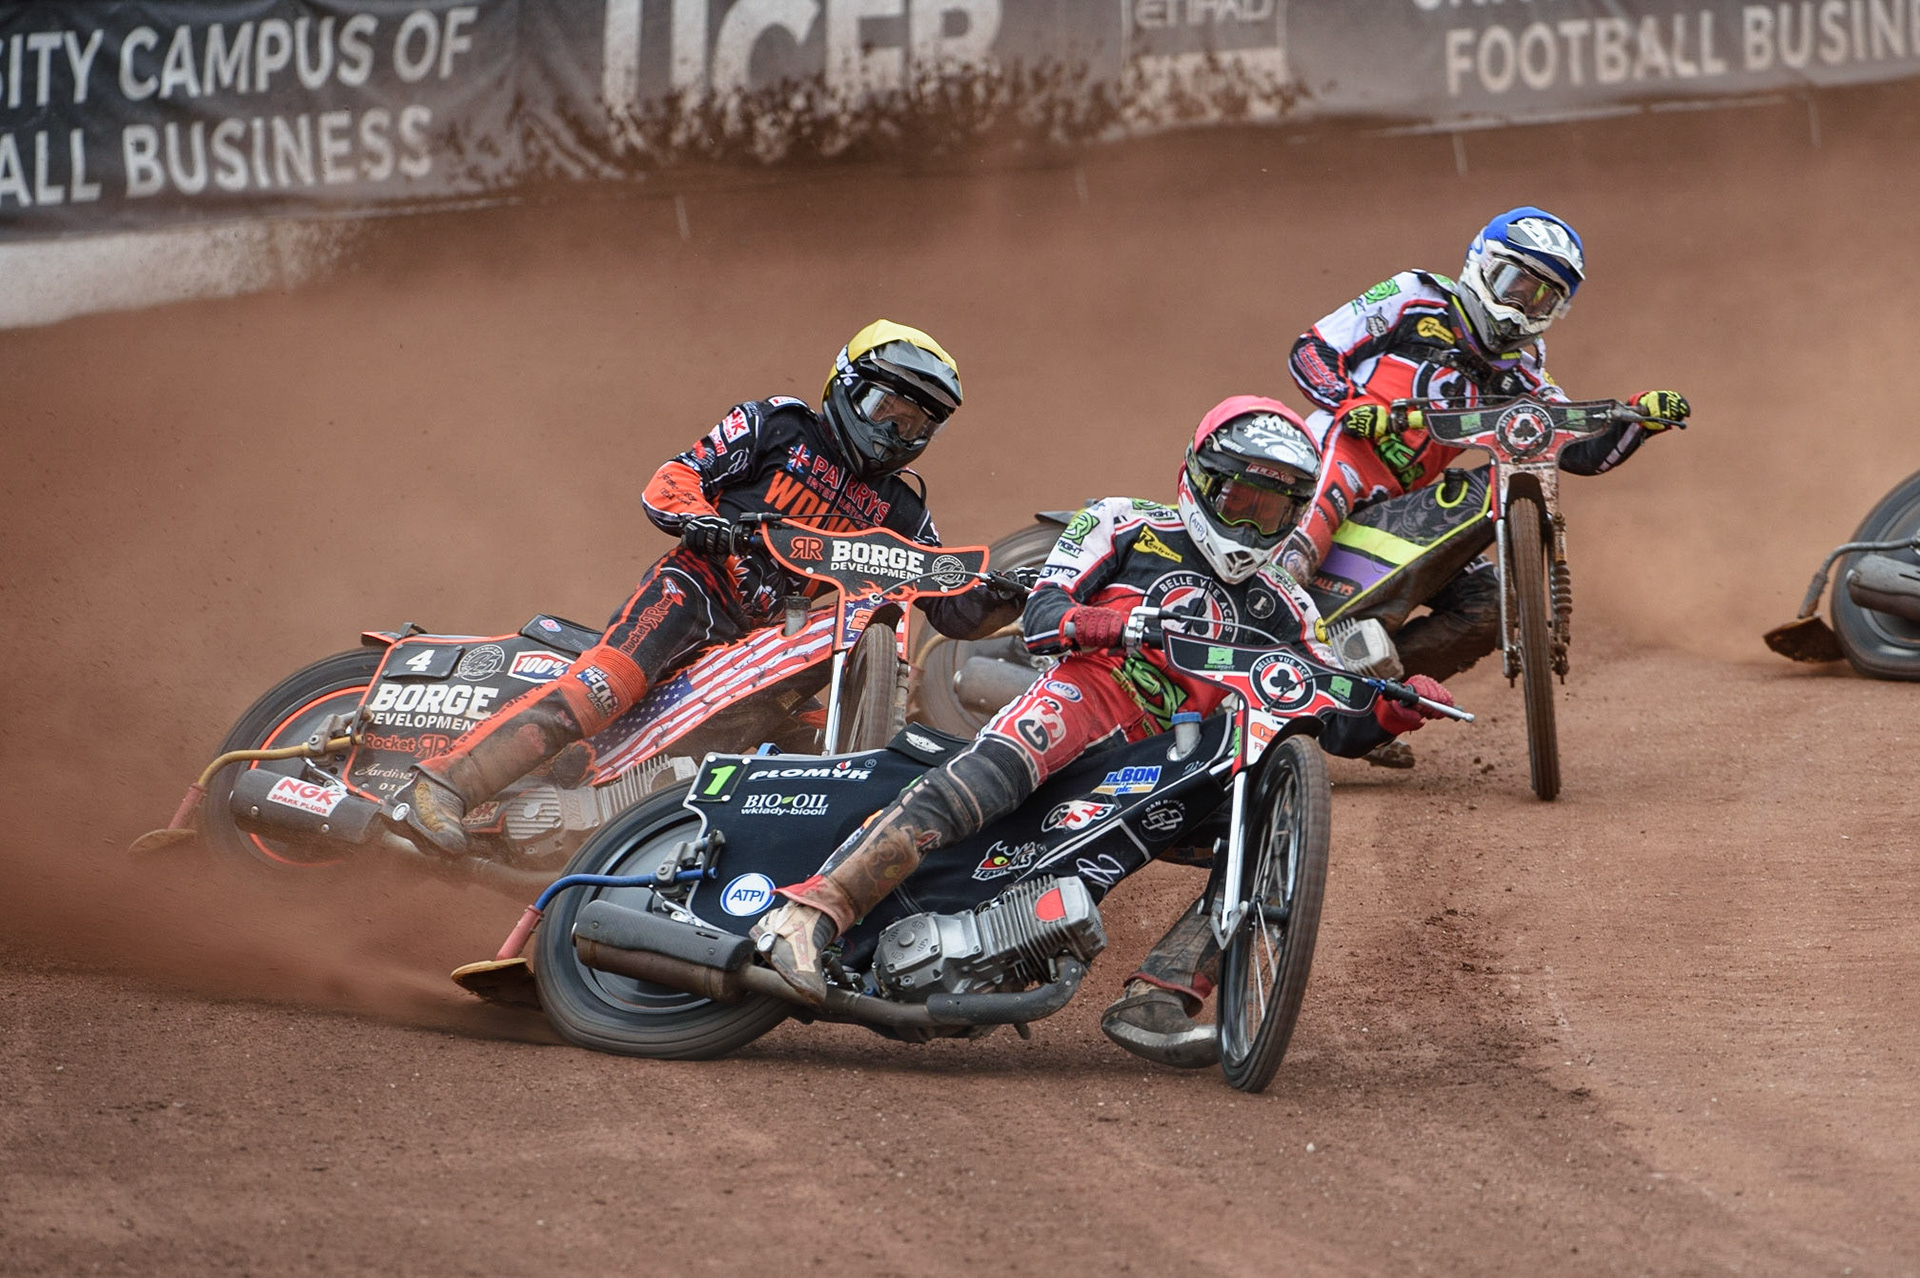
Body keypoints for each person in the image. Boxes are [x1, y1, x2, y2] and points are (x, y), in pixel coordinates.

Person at [748, 397, 1459, 1060]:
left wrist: (1390, 709)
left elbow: (1329, 712)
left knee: (1270, 819)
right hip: (1089, 693)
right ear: (1199, 480)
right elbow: (1041, 612)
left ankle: (1163, 994)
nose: (1248, 524)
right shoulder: (1125, 523)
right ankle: (810, 915)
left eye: (1272, 512)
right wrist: (1106, 622)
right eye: (1238, 498)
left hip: (1171, 759)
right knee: (999, 768)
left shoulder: (1287, 606)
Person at [402, 320, 1024, 855]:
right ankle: (445, 784)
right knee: (606, 687)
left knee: (803, 752)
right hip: (696, 590)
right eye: (886, 411)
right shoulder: (776, 425)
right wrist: (709, 522)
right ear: (846, 388)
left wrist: (1018, 592)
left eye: (914, 426)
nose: (894, 433)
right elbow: (674, 477)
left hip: (778, 641)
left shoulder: (902, 510)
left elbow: (955, 605)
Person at [1283, 206, 1692, 761]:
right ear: (1482, 262)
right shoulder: (1413, 296)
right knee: (1302, 543)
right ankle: (1245, 662)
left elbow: (1574, 450)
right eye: (1516, 283)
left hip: (1407, 504)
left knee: (1487, 606)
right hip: (1333, 460)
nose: (1523, 306)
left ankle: (1361, 705)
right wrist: (1354, 404)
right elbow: (1311, 349)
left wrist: (1638, 423)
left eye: (1543, 298)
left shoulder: (1522, 372)